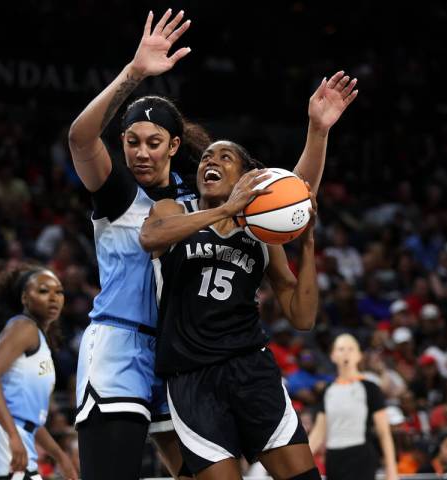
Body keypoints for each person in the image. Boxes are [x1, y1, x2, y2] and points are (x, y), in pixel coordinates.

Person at [69, 8, 358, 479]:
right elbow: (82, 141)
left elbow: (291, 200)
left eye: (154, 142)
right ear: (122, 144)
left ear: (173, 145)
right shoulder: (129, 197)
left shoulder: (197, 201)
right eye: (133, 142)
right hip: (127, 346)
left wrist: (317, 132)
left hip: (180, 354)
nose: (142, 152)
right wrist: (135, 73)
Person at [140, 134, 326, 477]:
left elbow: (302, 317)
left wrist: (309, 242)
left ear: (245, 178)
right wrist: (225, 210)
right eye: (207, 157)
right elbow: (150, 237)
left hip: (250, 369)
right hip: (191, 377)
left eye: (225, 157)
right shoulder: (174, 210)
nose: (211, 161)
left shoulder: (261, 236)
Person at [0, 266, 78, 480]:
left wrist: (59, 455)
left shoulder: (36, 337)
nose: (53, 298)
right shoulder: (23, 327)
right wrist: (12, 435)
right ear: (25, 298)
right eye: (44, 291)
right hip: (0, 436)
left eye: (59, 291)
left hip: (18, 434)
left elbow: (30, 417)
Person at [309, 334, 398, 480]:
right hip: (334, 458)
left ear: (359, 355)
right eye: (341, 349)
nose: (346, 353)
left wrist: (391, 470)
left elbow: (384, 432)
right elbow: (318, 433)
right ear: (333, 356)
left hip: (361, 456)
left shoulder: (370, 388)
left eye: (351, 349)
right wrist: (298, 465)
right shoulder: (327, 390)